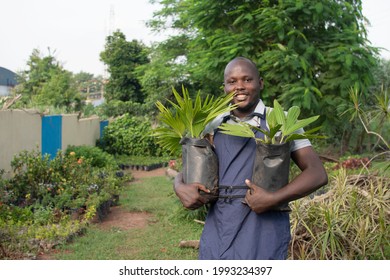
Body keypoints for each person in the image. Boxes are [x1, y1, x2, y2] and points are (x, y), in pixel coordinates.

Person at [173, 57, 328, 260]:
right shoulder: (212, 124)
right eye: (232, 82)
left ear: (260, 83)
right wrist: (179, 186)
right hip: (219, 222)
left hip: (264, 225)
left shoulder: (282, 120)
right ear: (224, 87)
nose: (240, 87)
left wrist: (273, 198)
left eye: (247, 80)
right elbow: (187, 171)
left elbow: (317, 174)